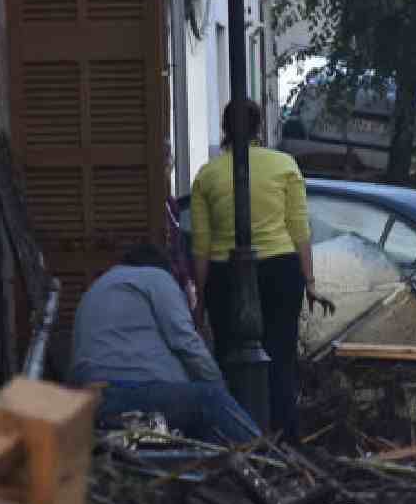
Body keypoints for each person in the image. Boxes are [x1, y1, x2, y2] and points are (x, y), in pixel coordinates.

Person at [191, 99, 321, 441]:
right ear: (258, 127)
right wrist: (309, 281)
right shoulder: (284, 166)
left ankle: (236, 436)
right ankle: (283, 438)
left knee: (229, 357)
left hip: (225, 275)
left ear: (223, 130)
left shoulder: (208, 175)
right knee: (280, 357)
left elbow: (201, 245)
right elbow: (299, 228)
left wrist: (201, 299)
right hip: (281, 269)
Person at [71, 244, 260, 443]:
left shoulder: (101, 284)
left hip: (89, 400)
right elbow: (186, 342)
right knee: (210, 399)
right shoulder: (156, 277)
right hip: (123, 392)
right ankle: (265, 462)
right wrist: (220, 389)